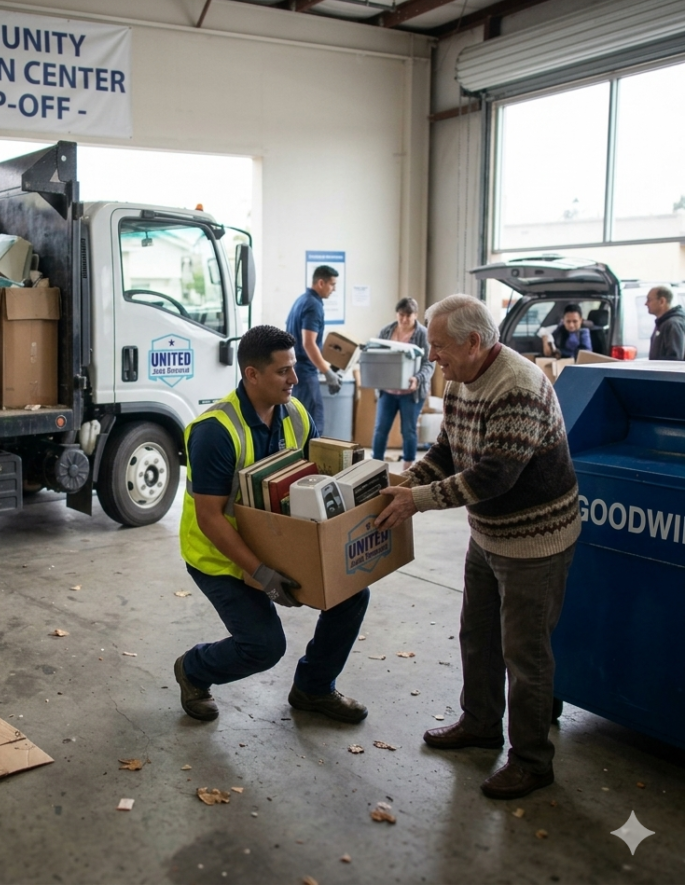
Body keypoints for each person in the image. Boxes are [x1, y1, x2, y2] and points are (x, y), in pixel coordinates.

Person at [375, 294, 580, 800]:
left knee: (525, 655)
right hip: (489, 535)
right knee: (478, 633)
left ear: (473, 341)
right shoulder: (462, 377)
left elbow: (494, 476)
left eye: (440, 346)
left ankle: (532, 761)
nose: (432, 357)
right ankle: (481, 723)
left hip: (535, 539)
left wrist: (416, 500)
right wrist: (407, 481)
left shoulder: (518, 385)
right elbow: (447, 450)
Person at [174, 325, 369, 725]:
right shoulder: (216, 432)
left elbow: (316, 477)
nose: (295, 379)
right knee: (263, 647)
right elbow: (211, 519)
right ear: (252, 375)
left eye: (294, 368)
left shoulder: (295, 414)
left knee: (352, 593)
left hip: (276, 541)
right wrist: (261, 574)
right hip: (221, 555)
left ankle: (313, 687)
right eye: (284, 371)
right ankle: (194, 670)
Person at [371, 297, 434, 470]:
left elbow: (429, 363)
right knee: (380, 429)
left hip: (411, 393)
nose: (404, 319)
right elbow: (375, 356)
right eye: (401, 315)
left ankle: (408, 467)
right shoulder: (386, 331)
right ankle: (375, 465)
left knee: (408, 430)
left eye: (408, 315)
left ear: (416, 315)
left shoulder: (423, 334)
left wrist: (418, 378)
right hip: (387, 391)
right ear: (396, 314)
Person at [285, 266, 341, 436]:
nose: (334, 289)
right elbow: (309, 343)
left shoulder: (301, 300)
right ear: (321, 282)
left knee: (297, 421)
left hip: (295, 369)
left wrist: (327, 365)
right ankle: (312, 462)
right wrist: (328, 372)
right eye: (332, 284)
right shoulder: (314, 305)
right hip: (305, 372)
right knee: (313, 423)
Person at [645, 285, 685, 361]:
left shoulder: (673, 324)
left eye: (649, 300)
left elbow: (674, 360)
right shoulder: (662, 323)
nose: (646, 304)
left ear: (662, 301)